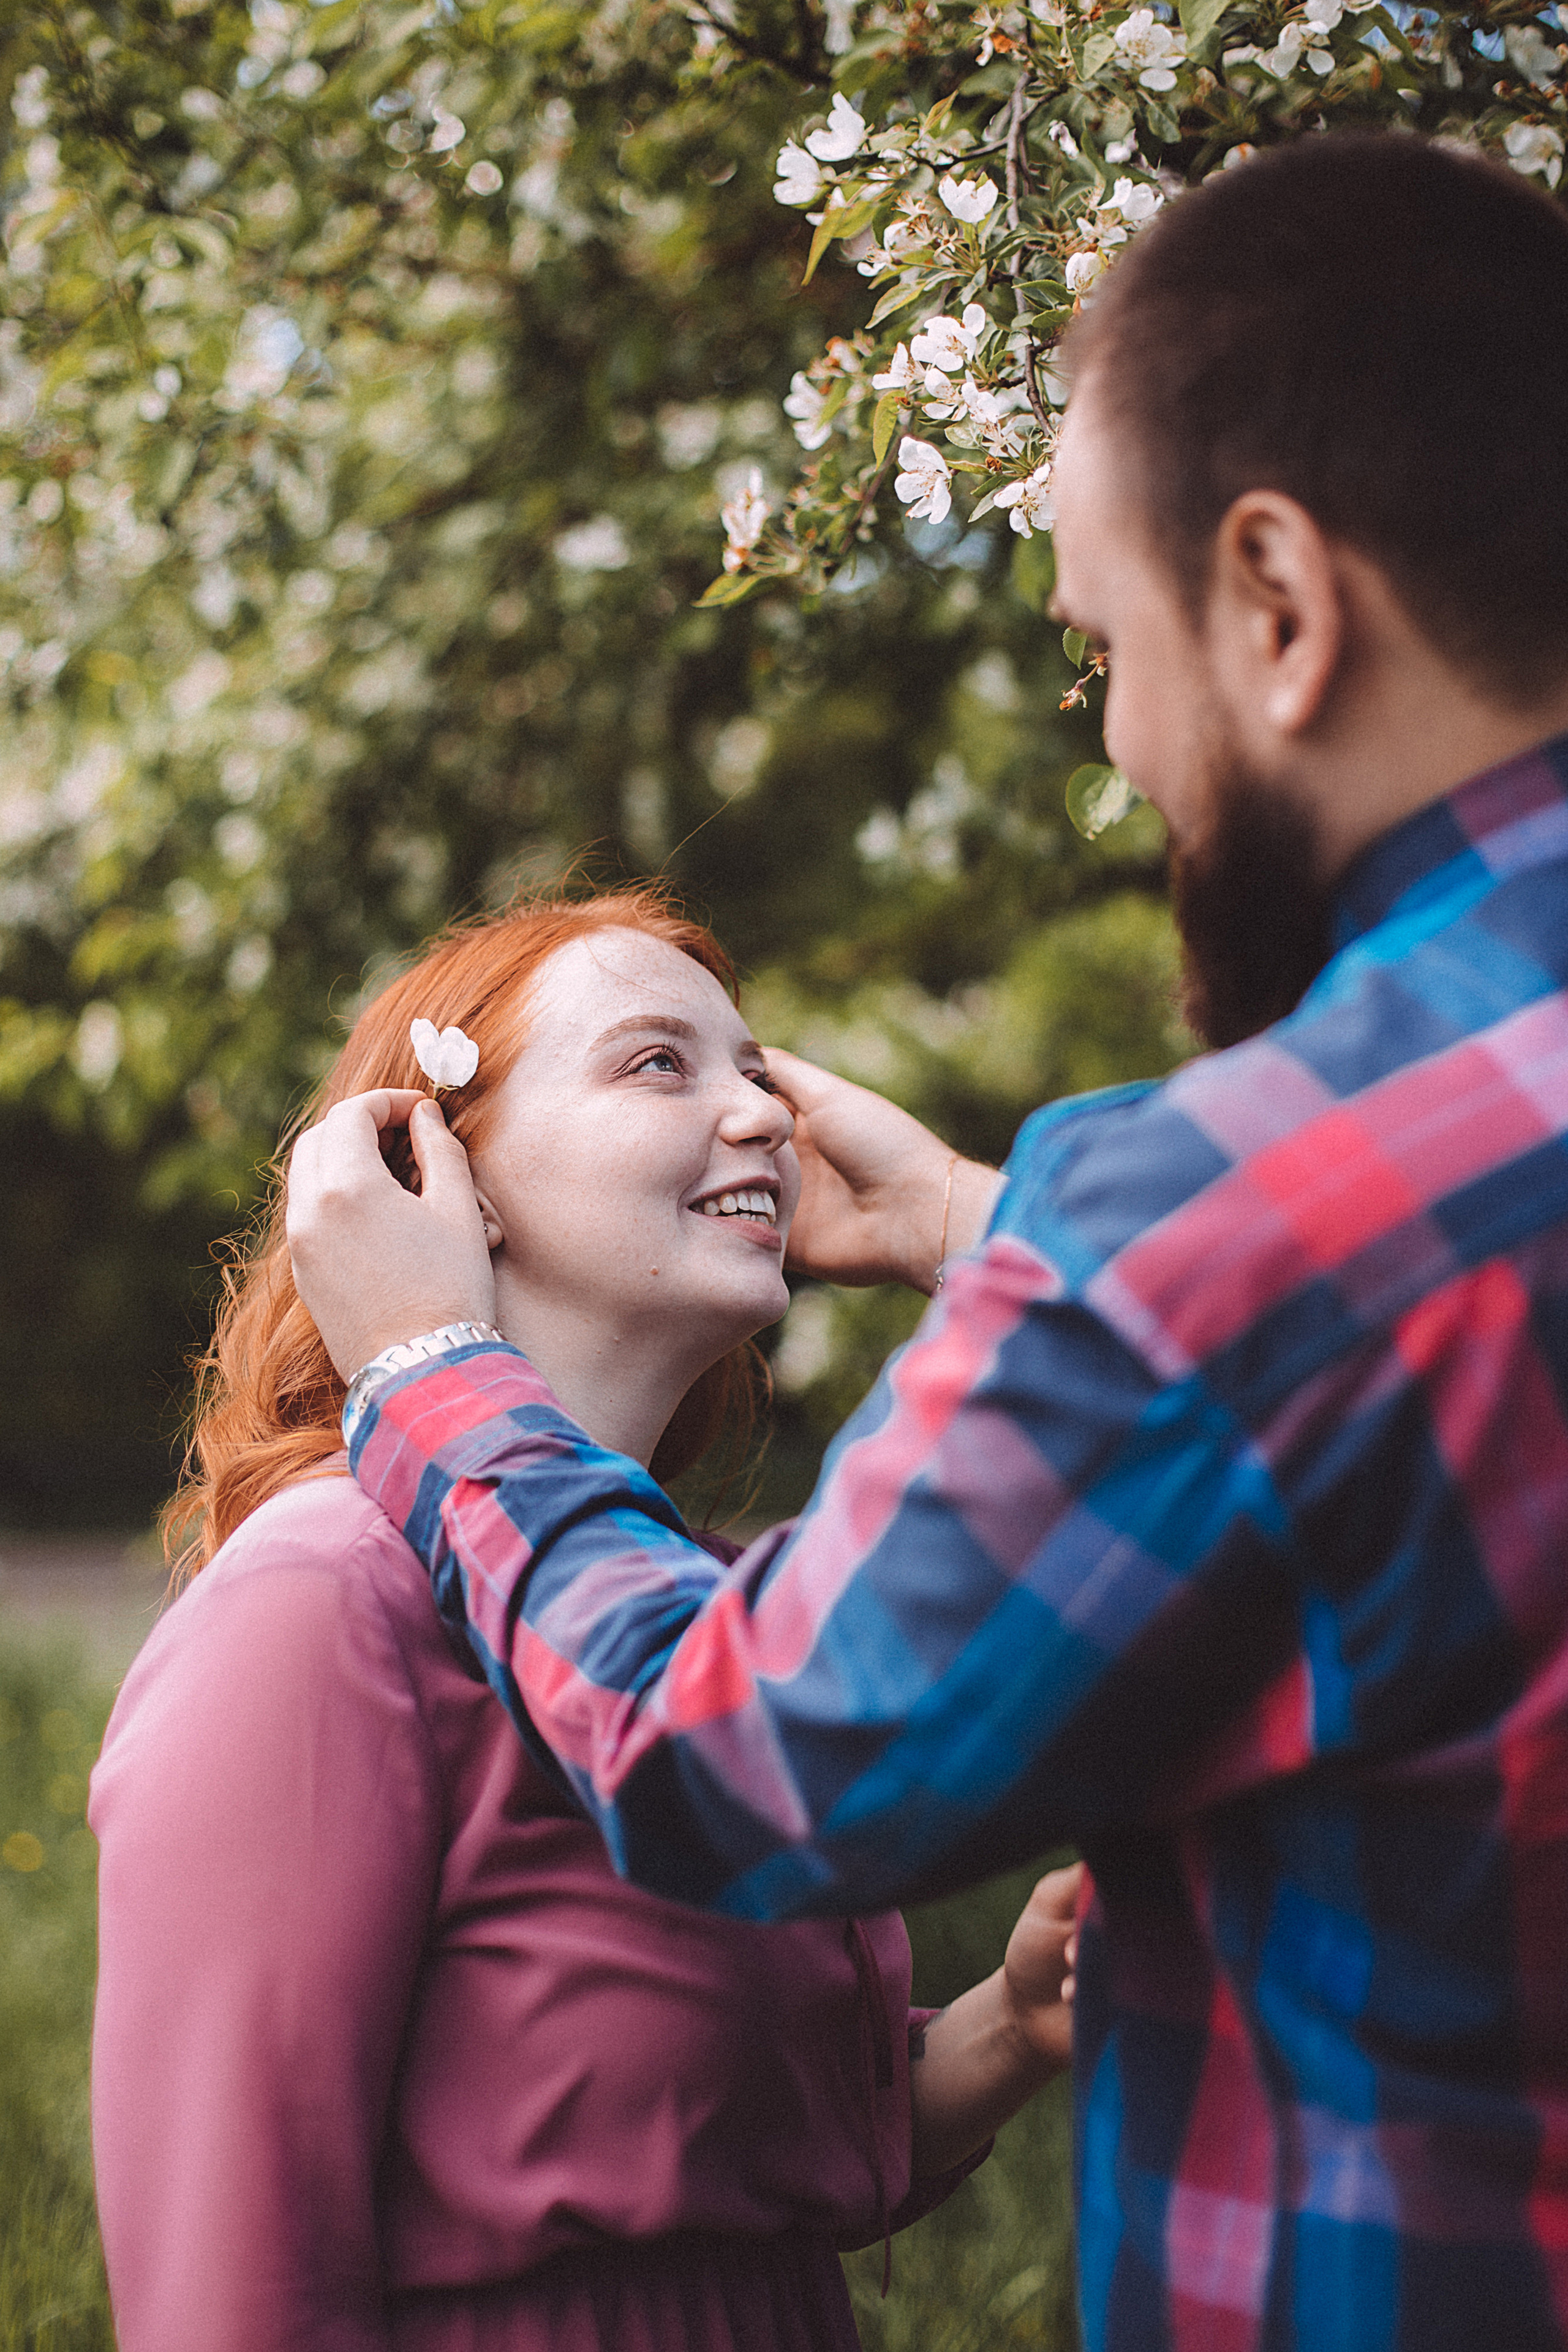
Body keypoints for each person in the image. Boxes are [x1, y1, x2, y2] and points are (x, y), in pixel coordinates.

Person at [287, 135, 1568, 2350]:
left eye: (1105, 641)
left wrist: (426, 1382)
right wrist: (1010, 1227)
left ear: (1275, 602)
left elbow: (746, 1757)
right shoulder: (294, 1634)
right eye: (642, 1064)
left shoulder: (1244, 1220)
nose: (1124, 739)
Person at [88, 888, 1081, 2352]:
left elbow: (738, 2185)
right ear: (443, 1171)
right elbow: (231, 2285)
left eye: (754, 1067)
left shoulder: (695, 1611)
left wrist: (1006, 2024)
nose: (762, 1114)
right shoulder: (321, 1608)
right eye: (657, 1064)